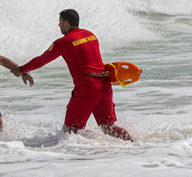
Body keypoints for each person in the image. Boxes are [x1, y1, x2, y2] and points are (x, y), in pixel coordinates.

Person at [13, 9, 133, 141]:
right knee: (108, 127)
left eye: (59, 22)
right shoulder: (90, 35)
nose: (58, 25)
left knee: (69, 132)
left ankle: (72, 157)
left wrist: (21, 69)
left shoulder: (63, 42)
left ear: (66, 23)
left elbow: (42, 60)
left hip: (87, 90)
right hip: (104, 86)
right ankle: (136, 146)